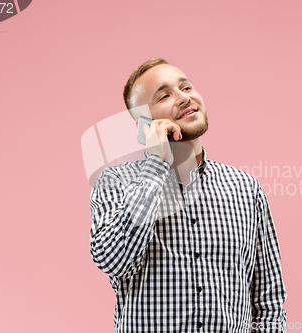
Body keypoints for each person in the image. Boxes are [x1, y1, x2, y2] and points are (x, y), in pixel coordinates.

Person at [89, 58, 287, 332]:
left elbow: (269, 301)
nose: (184, 97)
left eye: (187, 87)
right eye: (165, 95)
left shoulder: (245, 188)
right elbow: (114, 260)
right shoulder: (116, 182)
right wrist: (156, 162)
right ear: (145, 124)